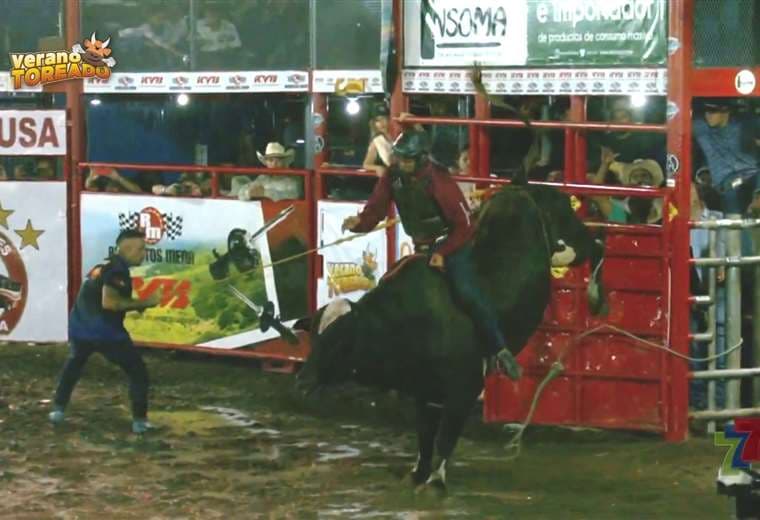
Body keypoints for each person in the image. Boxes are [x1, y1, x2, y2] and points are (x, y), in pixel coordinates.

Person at [341, 129, 521, 380]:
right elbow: (376, 209)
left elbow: (465, 225)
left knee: (467, 293)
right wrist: (359, 222)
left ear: (422, 158)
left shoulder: (439, 180)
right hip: (422, 247)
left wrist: (444, 253)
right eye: (400, 157)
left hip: (452, 245)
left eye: (407, 158)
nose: (402, 163)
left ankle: (498, 349)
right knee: (391, 286)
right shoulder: (393, 177)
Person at [49, 229, 160, 434]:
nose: (144, 253)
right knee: (138, 371)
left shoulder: (102, 266)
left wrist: (135, 305)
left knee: (74, 365)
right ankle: (140, 423)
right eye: (141, 249)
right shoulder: (117, 271)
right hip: (105, 333)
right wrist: (147, 301)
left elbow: (95, 297)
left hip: (79, 327)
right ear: (126, 249)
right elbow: (110, 303)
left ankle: (57, 410)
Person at [230, 142, 303, 201]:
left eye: (278, 160)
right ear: (266, 163)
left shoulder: (292, 180)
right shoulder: (262, 178)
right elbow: (241, 193)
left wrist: (265, 193)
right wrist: (249, 193)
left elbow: (294, 195)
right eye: (271, 160)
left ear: (284, 162)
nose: (274, 164)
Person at [362, 102, 392, 177]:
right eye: (378, 120)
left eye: (384, 118)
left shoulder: (401, 134)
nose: (382, 123)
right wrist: (377, 168)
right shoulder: (377, 141)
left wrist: (412, 120)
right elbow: (366, 164)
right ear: (374, 123)